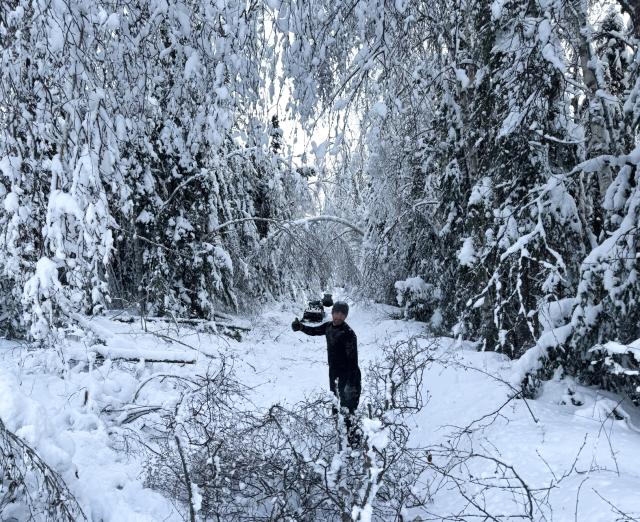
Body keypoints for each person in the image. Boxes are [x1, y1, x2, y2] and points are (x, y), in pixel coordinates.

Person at [292, 301, 362, 446]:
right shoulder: (329, 327)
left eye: (342, 314)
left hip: (349, 375)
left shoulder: (348, 334)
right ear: (332, 313)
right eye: (337, 312)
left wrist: (350, 384)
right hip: (334, 373)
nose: (339, 316)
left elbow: (353, 361)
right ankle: (340, 432)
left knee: (348, 406)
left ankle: (353, 439)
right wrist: (300, 327)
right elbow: (315, 331)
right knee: (335, 403)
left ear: (346, 316)